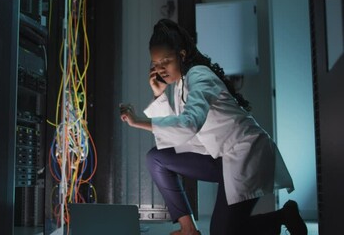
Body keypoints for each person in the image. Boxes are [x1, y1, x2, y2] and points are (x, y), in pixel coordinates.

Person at [119, 18, 308, 235]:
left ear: (181, 55)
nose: (160, 70)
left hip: (246, 155)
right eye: (156, 64)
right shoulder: (181, 83)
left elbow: (188, 125)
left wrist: (137, 121)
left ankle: (283, 216)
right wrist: (159, 94)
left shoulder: (199, 76)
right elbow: (174, 137)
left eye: (166, 61)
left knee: (222, 232)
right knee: (157, 158)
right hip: (221, 158)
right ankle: (188, 229)